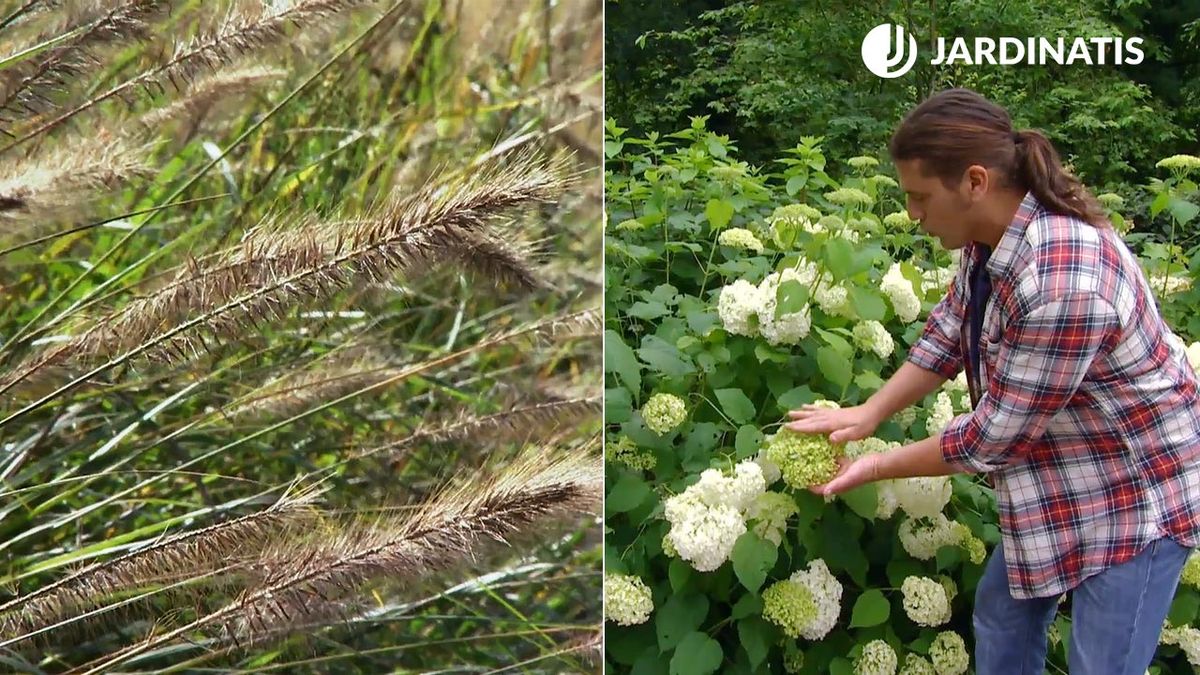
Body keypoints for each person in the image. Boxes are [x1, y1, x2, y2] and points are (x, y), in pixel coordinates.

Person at [787, 87, 1200, 674]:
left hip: (1136, 495)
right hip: (1059, 467)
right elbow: (950, 332)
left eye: (920, 197)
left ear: (974, 181)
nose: (913, 215)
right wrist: (868, 413)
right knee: (1002, 613)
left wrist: (873, 463)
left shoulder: (1064, 282)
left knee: (1099, 665)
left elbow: (991, 441)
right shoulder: (990, 238)